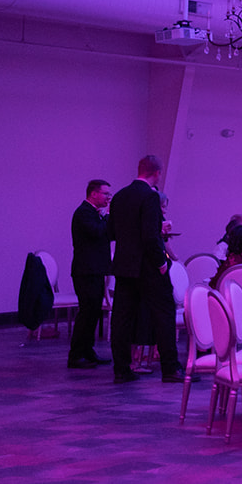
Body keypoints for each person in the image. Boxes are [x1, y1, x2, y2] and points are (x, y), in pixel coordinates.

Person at [109, 155, 182, 384]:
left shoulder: (119, 196)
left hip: (123, 265)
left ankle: (121, 369)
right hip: (147, 267)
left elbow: (112, 231)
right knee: (164, 313)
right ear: (157, 173)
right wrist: (161, 262)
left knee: (121, 318)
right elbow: (150, 236)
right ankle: (170, 368)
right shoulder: (150, 197)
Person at [68, 178, 112, 370]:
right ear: (93, 194)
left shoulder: (94, 213)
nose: (108, 198)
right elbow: (96, 232)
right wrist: (108, 217)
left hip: (94, 270)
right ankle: (76, 355)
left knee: (93, 312)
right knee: (86, 313)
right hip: (85, 271)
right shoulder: (83, 213)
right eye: (106, 194)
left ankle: (88, 351)